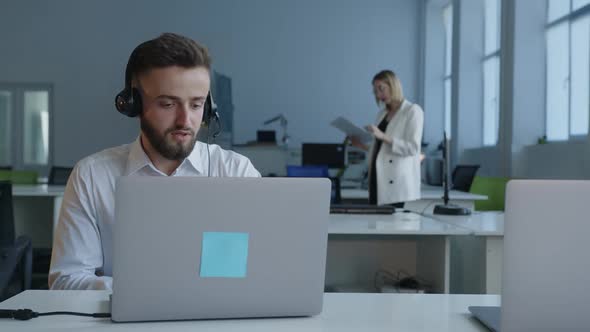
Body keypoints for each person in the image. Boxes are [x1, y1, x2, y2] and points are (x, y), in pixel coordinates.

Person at [49, 33, 260, 290]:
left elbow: (257, 270)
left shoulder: (237, 172)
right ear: (133, 104)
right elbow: (66, 280)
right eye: (168, 104)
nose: (185, 120)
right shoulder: (92, 176)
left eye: (196, 105)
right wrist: (145, 294)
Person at [349, 70, 423, 207]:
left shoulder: (412, 111)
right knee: (376, 225)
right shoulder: (382, 114)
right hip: (377, 180)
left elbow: (413, 148)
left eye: (381, 89)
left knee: (394, 226)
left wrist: (382, 135)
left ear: (393, 86)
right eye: (375, 91)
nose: (378, 94)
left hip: (397, 183)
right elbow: (382, 149)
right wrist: (362, 146)